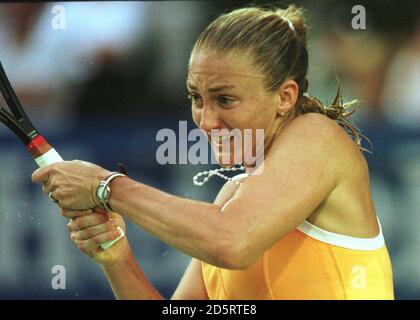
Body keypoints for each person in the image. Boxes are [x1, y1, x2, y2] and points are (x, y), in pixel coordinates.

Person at [31, 5, 394, 300]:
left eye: (225, 99)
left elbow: (231, 242)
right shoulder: (231, 199)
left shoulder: (318, 137)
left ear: (285, 97)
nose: (205, 121)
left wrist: (107, 187)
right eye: (196, 98)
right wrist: (117, 256)